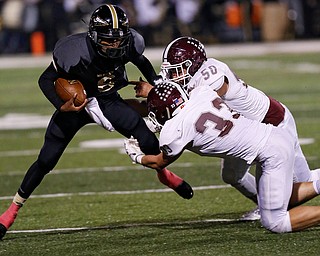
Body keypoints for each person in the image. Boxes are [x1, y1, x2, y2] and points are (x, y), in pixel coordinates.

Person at [0, 4, 193, 240]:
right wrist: (62, 106)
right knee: (46, 160)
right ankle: (12, 210)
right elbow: (45, 79)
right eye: (108, 39)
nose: (114, 45)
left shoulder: (128, 43)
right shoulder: (73, 51)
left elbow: (140, 61)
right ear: (93, 35)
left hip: (107, 99)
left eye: (118, 39)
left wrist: (154, 84)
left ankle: (164, 175)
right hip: (77, 104)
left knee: (148, 140)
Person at [132, 36, 320, 220]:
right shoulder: (195, 78)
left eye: (176, 70)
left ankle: (270, 205)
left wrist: (153, 101)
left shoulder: (211, 76)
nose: (172, 76)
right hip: (247, 129)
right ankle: (264, 205)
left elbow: (185, 111)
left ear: (194, 64)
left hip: (272, 123)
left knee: (301, 182)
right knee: (232, 175)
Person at [124, 80, 320, 233]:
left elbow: (159, 161)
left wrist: (136, 155)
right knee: (278, 200)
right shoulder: (201, 93)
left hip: (270, 153)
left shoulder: (174, 130)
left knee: (275, 222)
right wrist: (153, 91)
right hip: (275, 135)